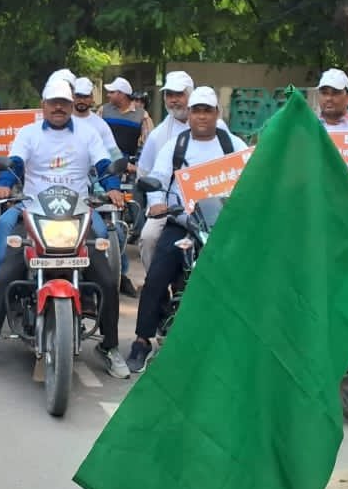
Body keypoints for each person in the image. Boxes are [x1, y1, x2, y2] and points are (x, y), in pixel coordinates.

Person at [0, 75, 129, 380]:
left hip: (77, 214)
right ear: (43, 105)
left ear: (71, 105)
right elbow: (14, 164)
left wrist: (113, 187)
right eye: (53, 102)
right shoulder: (28, 133)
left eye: (64, 103)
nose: (59, 108)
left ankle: (110, 347)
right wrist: (3, 185)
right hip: (34, 214)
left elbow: (105, 166)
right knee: (4, 278)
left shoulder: (89, 133)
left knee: (107, 279)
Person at [129, 87, 249, 372]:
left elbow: (253, 178)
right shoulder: (175, 145)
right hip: (182, 222)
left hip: (223, 226)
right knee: (157, 276)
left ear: (217, 114)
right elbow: (157, 179)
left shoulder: (233, 144)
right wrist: (157, 203)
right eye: (197, 110)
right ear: (190, 114)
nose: (202, 116)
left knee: (245, 276)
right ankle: (142, 341)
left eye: (208, 110)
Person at [136, 70, 196, 270]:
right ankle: (156, 287)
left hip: (210, 209)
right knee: (149, 238)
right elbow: (145, 174)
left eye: (179, 94)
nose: (174, 100)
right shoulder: (158, 135)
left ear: (191, 95)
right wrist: (156, 203)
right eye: (169, 95)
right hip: (170, 209)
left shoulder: (218, 129)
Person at [99, 76, 149, 164]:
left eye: (112, 92)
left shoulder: (142, 115)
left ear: (121, 94)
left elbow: (148, 144)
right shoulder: (103, 110)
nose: (108, 95)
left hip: (128, 167)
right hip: (105, 164)